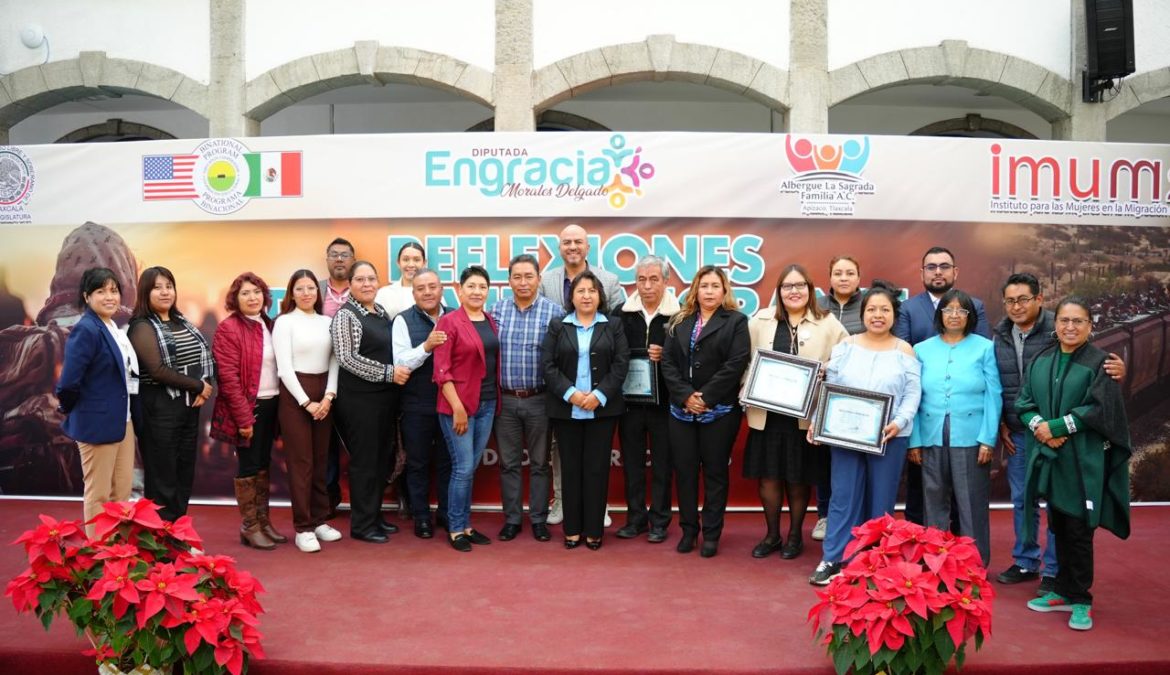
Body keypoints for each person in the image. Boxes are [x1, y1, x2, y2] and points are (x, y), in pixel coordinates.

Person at [992, 273, 1125, 593]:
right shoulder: (999, 335)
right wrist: (1012, 423)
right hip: (1022, 432)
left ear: (1039, 299)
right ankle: (1026, 561)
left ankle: (1054, 571)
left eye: (1023, 299)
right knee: (1023, 499)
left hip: (1067, 439)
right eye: (1010, 301)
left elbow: (1093, 373)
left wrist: (1120, 369)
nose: (1016, 306)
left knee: (1060, 505)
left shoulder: (1062, 327)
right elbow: (1001, 386)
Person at [1019, 297, 1131, 632]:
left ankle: (1081, 599)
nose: (1070, 327)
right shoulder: (1041, 359)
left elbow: (1099, 409)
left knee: (1080, 529)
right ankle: (1063, 591)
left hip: (1083, 461)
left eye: (1078, 321)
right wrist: (1041, 427)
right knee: (1059, 524)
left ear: (1089, 325)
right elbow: (1023, 403)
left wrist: (1055, 428)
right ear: (1055, 324)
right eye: (1064, 320)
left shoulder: (1101, 363)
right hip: (1051, 460)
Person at [809, 280, 921, 585]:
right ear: (863, 313)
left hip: (888, 436)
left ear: (894, 315)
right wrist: (818, 420)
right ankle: (833, 558)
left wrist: (899, 422)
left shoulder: (905, 350)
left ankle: (875, 561)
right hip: (844, 434)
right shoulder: (846, 347)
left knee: (881, 499)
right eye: (872, 309)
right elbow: (829, 387)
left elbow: (913, 394)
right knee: (843, 496)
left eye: (885, 310)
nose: (878, 315)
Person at [744, 264, 848, 560]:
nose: (794, 291)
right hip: (767, 415)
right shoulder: (760, 321)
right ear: (779, 291)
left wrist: (828, 369)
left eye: (800, 285)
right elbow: (744, 361)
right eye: (787, 286)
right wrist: (748, 387)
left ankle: (794, 536)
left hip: (804, 418)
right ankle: (772, 535)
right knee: (769, 478)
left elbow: (845, 359)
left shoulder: (827, 323)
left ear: (810, 289)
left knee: (798, 478)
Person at [894, 246, 989, 526]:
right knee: (922, 488)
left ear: (955, 272)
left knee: (964, 492)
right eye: (931, 267)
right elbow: (903, 354)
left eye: (944, 266)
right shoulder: (908, 308)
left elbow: (982, 353)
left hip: (964, 416)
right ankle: (922, 542)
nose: (938, 272)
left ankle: (961, 544)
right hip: (924, 409)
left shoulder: (975, 306)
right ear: (922, 273)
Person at [538, 223, 625, 528]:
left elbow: (617, 334)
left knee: (597, 457)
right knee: (562, 452)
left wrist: (600, 392)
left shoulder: (609, 280)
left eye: (578, 241)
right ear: (559, 247)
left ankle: (597, 505)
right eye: (566, 242)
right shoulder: (546, 280)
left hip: (599, 384)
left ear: (588, 247)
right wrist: (568, 391)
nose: (572, 246)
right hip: (562, 388)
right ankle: (563, 500)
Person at [660, 266, 750, 558]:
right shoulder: (679, 320)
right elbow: (667, 363)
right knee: (685, 473)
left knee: (715, 473)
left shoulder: (736, 321)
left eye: (715, 286)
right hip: (681, 411)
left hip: (719, 411)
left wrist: (706, 397)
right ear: (695, 290)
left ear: (724, 290)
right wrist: (686, 396)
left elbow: (736, 363)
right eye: (704, 286)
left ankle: (711, 534)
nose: (709, 291)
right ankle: (689, 530)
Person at [907, 289, 1002, 566]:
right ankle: (935, 564)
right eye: (948, 310)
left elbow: (993, 395)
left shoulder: (985, 348)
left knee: (971, 504)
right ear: (940, 314)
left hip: (972, 438)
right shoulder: (921, 349)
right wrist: (914, 440)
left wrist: (988, 439)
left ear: (970, 316)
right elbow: (913, 397)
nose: (954, 315)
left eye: (962, 310)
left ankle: (975, 566)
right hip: (930, 435)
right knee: (933, 501)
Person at [128, 266, 215, 522]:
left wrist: (205, 384)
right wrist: (198, 386)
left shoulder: (182, 322)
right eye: (157, 287)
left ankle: (178, 529)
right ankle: (160, 534)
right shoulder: (141, 327)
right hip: (159, 409)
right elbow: (157, 370)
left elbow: (203, 357)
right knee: (162, 476)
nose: (165, 292)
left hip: (188, 408)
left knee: (183, 473)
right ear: (145, 292)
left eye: (169, 286)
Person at [54, 267, 137, 536]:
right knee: (99, 494)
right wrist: (76, 410)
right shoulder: (87, 329)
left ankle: (119, 550)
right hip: (97, 423)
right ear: (87, 296)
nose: (109, 297)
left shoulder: (113, 328)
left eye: (113, 291)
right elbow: (68, 382)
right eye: (101, 291)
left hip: (123, 420)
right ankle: (99, 552)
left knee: (121, 492)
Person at [490, 254, 565, 543]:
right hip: (506, 400)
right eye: (517, 277)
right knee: (508, 463)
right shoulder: (496, 312)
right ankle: (511, 519)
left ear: (538, 279)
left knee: (540, 464)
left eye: (529, 276)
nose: (523, 282)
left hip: (539, 399)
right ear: (509, 281)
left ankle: (538, 519)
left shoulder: (554, 313)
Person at [211, 273, 288, 550]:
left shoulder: (270, 324)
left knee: (263, 464)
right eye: (245, 293)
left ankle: (263, 522)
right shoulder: (228, 328)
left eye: (256, 292)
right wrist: (244, 418)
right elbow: (228, 379)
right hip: (247, 408)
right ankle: (250, 526)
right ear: (235, 299)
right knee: (249, 466)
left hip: (272, 404)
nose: (252, 297)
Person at [330, 261, 404, 544]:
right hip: (359, 402)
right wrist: (388, 373)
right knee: (364, 462)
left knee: (380, 460)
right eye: (360, 279)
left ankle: (374, 515)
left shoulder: (381, 312)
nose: (367, 284)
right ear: (350, 284)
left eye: (371, 279)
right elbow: (348, 359)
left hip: (384, 399)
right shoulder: (345, 316)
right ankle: (362, 524)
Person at [273, 269, 342, 553]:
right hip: (295, 396)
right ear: (292, 292)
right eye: (300, 288)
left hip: (324, 393)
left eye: (311, 288)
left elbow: (335, 360)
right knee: (301, 463)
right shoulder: (284, 322)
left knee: (321, 460)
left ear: (318, 291)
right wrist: (306, 402)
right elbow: (284, 369)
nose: (306, 293)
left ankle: (320, 519)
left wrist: (328, 396)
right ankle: (303, 527)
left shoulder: (327, 322)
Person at [433, 266, 500, 552]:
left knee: (469, 468)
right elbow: (441, 371)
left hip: (487, 403)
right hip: (458, 407)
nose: (477, 291)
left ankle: (466, 525)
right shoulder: (448, 322)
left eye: (482, 287)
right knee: (462, 468)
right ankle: (456, 528)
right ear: (460, 290)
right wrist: (458, 408)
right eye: (471, 286)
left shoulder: (489, 319)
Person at [615, 255, 679, 544]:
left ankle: (660, 521)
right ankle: (635, 519)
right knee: (632, 464)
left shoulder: (680, 315)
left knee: (663, 465)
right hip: (629, 403)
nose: (647, 285)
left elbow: (689, 357)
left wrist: (667, 354)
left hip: (666, 403)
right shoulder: (620, 313)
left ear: (666, 281)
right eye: (642, 279)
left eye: (654, 279)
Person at [391, 267, 453, 539]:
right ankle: (421, 516)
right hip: (416, 404)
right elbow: (401, 362)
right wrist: (426, 346)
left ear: (441, 289)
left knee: (449, 462)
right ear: (413, 293)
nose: (427, 292)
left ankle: (447, 514)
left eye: (432, 287)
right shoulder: (403, 320)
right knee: (417, 463)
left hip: (451, 404)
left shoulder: (456, 316)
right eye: (420, 288)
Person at [812, 255, 866, 543]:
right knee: (824, 458)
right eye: (838, 273)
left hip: (860, 395)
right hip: (823, 393)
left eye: (850, 273)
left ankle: (860, 519)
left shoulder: (869, 304)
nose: (844, 278)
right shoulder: (817, 305)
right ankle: (825, 515)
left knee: (856, 457)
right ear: (829, 277)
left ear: (859, 277)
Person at [322, 237, 357, 517]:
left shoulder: (364, 289)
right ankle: (327, 499)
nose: (339, 259)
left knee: (360, 440)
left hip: (357, 377)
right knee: (325, 443)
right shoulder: (314, 290)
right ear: (327, 259)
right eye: (334, 254)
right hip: (321, 376)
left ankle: (364, 502)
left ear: (353, 260)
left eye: (345, 255)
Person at [376, 241, 427, 320]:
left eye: (416, 260)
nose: (411, 265)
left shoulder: (432, 293)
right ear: (398, 263)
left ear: (424, 263)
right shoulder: (384, 294)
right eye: (406, 259)